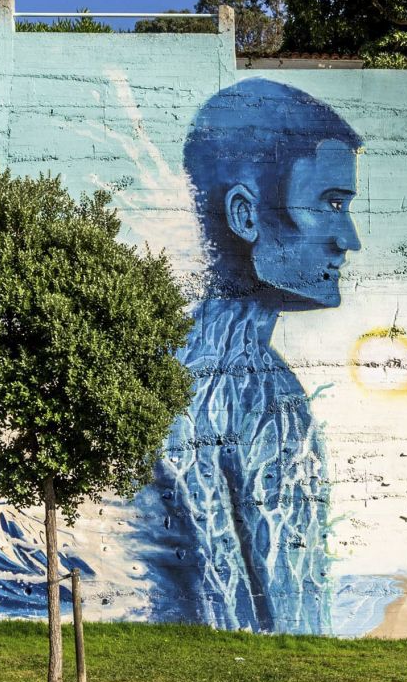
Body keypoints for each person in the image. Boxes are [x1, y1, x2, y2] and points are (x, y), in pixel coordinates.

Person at [144, 79, 361, 633]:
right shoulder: (258, 392)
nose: (349, 238)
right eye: (331, 204)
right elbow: (294, 616)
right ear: (245, 216)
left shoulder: (175, 367)